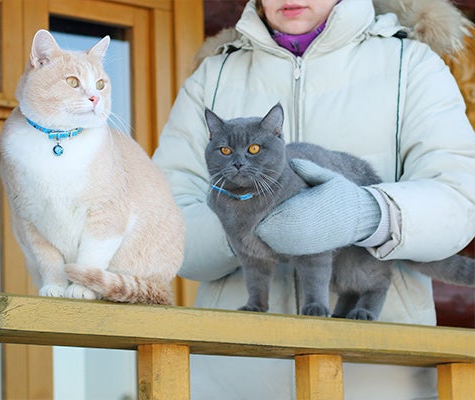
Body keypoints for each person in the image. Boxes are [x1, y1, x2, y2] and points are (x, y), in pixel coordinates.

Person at [152, 0, 475, 398]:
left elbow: (460, 198)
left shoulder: (411, 63)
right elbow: (161, 222)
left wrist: (364, 214)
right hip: (237, 374)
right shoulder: (213, 75)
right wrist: (244, 225)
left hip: (377, 375)